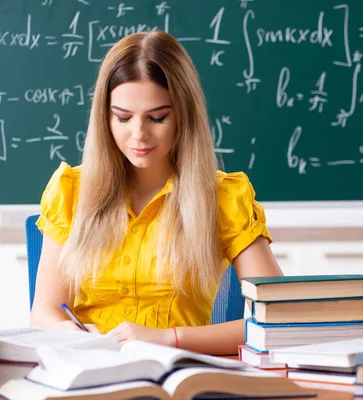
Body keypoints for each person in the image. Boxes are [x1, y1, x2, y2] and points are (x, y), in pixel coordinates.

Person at [29, 31, 283, 355]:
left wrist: (169, 338)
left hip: (177, 374)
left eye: (158, 117)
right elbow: (44, 312)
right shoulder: (71, 191)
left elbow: (276, 317)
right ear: (104, 117)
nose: (139, 134)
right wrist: (71, 332)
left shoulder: (222, 198)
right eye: (122, 117)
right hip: (90, 372)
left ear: (183, 116)